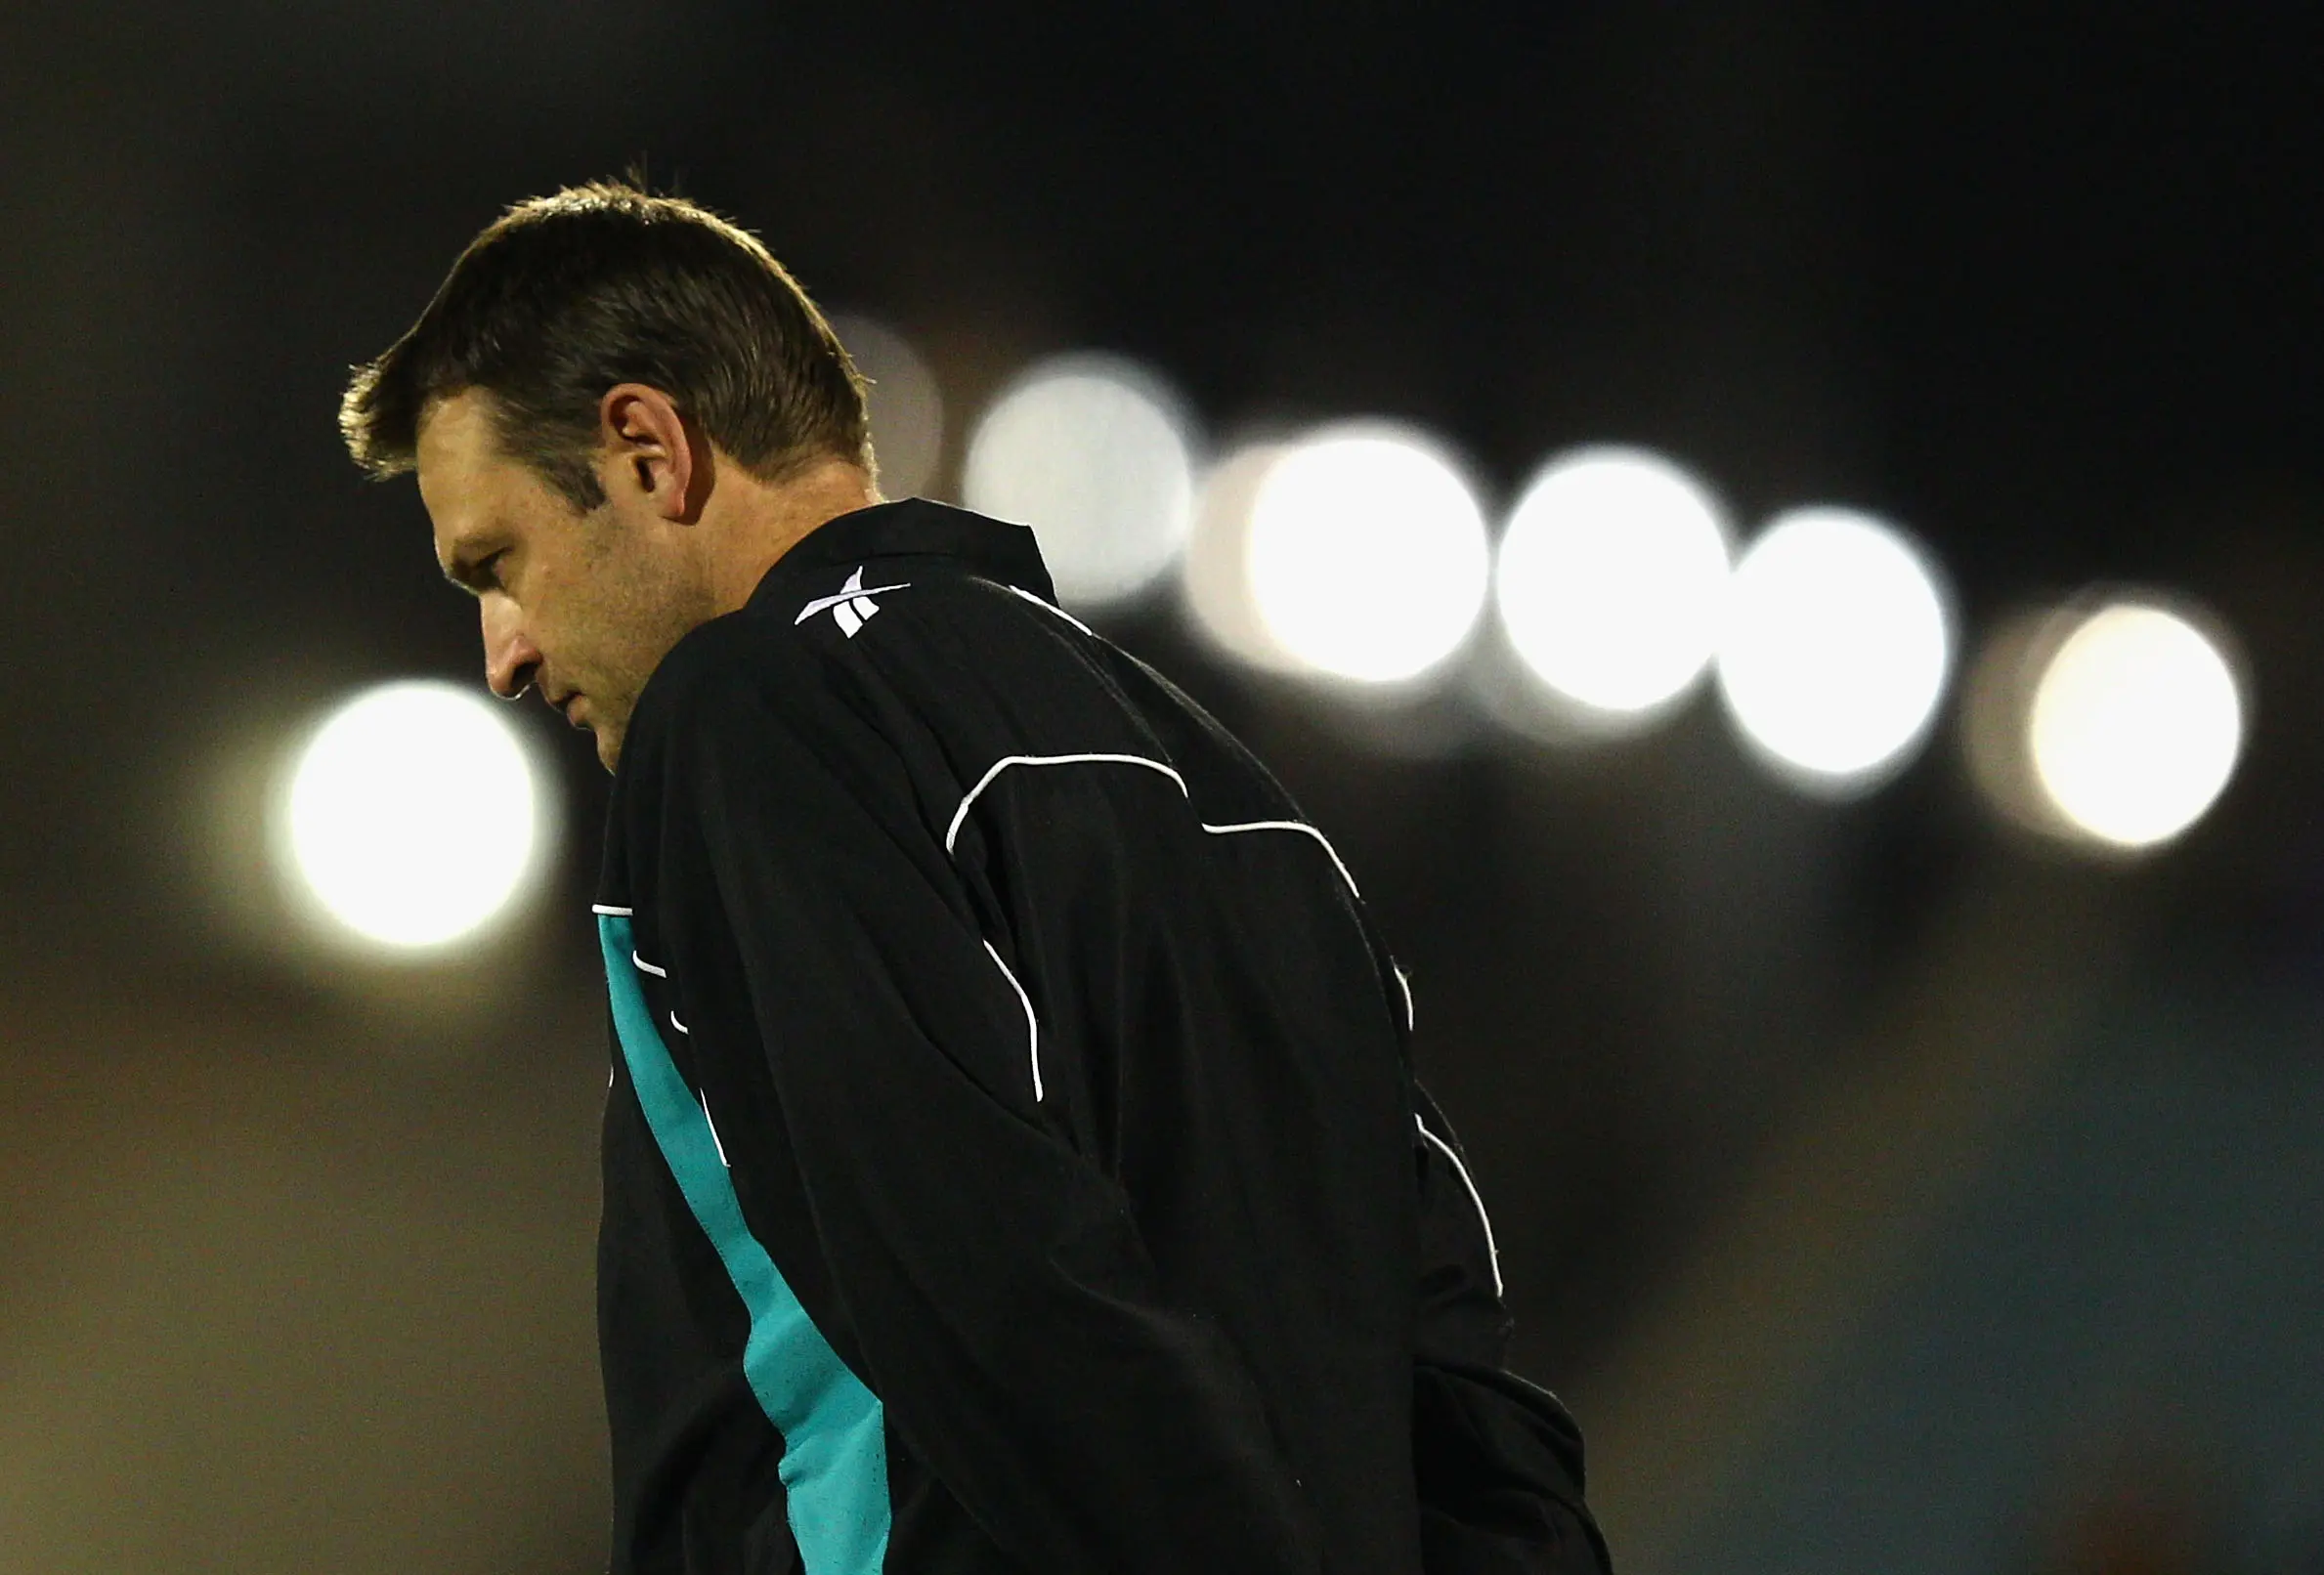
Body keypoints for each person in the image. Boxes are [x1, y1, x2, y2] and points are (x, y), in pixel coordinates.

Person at [340, 179, 1610, 1575]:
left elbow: (986, 1278)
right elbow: (1447, 1364)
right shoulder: (1226, 790)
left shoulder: (753, 714)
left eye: (497, 562)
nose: (503, 652)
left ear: (648, 451)